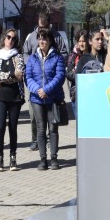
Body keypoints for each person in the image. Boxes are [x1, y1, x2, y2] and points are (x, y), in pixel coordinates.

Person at [22, 12, 68, 151]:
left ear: (49, 24)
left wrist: (54, 61)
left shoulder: (57, 37)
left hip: (51, 85)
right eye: (40, 27)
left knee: (51, 120)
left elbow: (64, 54)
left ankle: (50, 142)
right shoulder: (31, 36)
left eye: (45, 27)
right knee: (33, 116)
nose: (42, 31)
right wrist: (30, 62)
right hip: (35, 85)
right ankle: (35, 139)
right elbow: (25, 52)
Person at [25, 28, 66, 171]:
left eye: (44, 39)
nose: (41, 41)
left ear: (50, 41)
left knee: (53, 129)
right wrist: (38, 90)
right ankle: (43, 159)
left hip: (52, 98)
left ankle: (54, 158)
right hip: (37, 99)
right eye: (40, 39)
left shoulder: (57, 57)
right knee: (41, 130)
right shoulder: (32, 58)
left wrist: (47, 90)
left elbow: (60, 76)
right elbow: (28, 77)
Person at [0, 29, 25, 172]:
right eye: (8, 37)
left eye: (13, 38)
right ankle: (0, 158)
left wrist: (2, 79)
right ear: (4, 38)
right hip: (0, 96)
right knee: (0, 127)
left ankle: (13, 158)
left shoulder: (18, 56)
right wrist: (10, 76)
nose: (10, 40)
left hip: (15, 96)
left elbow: (19, 75)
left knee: (13, 127)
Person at [65, 30, 89, 103]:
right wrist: (81, 74)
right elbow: (68, 73)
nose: (81, 44)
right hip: (76, 93)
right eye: (79, 41)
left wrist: (76, 71)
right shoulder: (74, 55)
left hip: (89, 92)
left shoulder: (92, 55)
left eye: (83, 41)